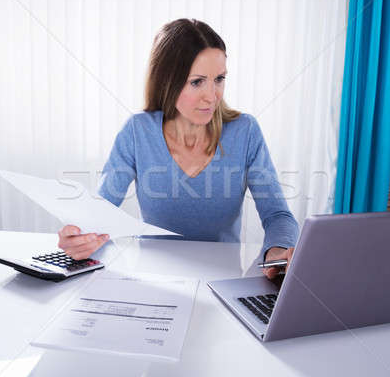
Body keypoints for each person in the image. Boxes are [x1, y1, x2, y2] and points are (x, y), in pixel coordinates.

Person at [57, 18, 298, 279]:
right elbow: (101, 212)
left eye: (219, 79)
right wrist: (82, 236)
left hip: (221, 283)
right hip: (154, 281)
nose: (212, 95)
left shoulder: (245, 131)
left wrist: (277, 252)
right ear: (167, 81)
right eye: (197, 82)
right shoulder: (138, 131)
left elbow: (277, 215)